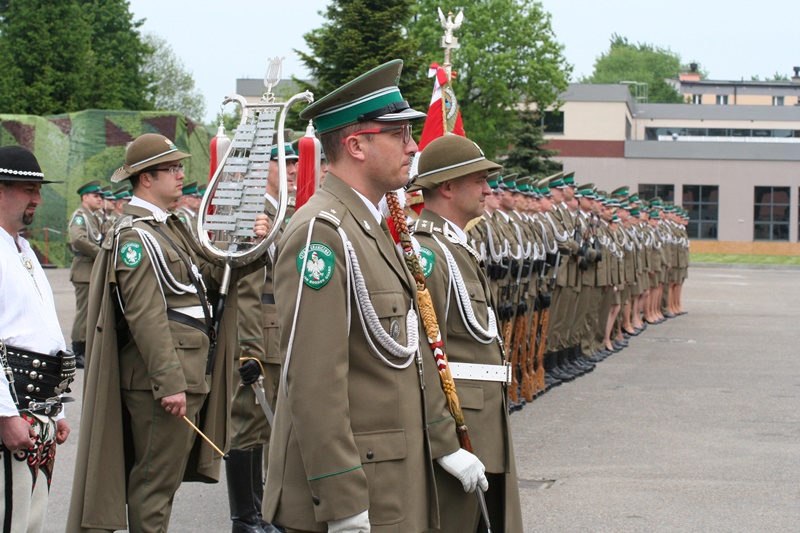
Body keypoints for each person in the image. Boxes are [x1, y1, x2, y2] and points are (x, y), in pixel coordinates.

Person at [263, 60, 487, 533]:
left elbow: (413, 353)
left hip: (392, 477)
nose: (413, 146)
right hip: (356, 486)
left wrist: (444, 443)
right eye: (399, 134)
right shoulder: (321, 234)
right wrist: (342, 500)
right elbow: (313, 381)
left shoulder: (373, 227)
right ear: (357, 145)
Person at [67, 133, 271, 533]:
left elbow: (212, 277)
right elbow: (145, 315)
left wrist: (255, 243)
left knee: (163, 482)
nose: (181, 175)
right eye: (172, 168)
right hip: (164, 381)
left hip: (187, 373)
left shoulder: (168, 226)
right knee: (154, 485)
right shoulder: (135, 236)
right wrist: (168, 382)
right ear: (145, 178)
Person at [409, 134, 523, 532]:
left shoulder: (454, 246)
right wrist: (443, 442)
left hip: (481, 420)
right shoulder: (428, 251)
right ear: (447, 187)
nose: (489, 189)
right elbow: (422, 355)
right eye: (479, 179)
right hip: (460, 427)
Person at [0, 145, 72, 532]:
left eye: (38, 189)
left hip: (38, 406)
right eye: (28, 189)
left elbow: (45, 329)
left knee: (30, 519)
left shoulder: (23, 248)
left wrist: (56, 408)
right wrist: (5, 414)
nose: (37, 199)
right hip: (14, 408)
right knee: (8, 516)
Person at [226, 140, 297, 533]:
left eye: (293, 162)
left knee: (265, 427)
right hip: (262, 335)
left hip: (279, 329)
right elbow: (249, 287)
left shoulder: (278, 211)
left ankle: (260, 511)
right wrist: (249, 348)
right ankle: (246, 517)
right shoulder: (255, 212)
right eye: (281, 162)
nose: (290, 168)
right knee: (249, 421)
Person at [67, 179, 106, 368]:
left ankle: (86, 345)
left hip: (91, 268)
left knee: (92, 309)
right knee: (84, 311)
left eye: (101, 196)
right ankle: (77, 350)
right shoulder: (80, 216)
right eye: (96, 196)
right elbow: (78, 238)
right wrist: (100, 253)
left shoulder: (94, 216)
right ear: (85, 197)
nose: (100, 199)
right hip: (84, 268)